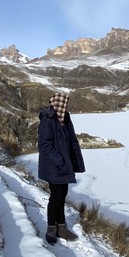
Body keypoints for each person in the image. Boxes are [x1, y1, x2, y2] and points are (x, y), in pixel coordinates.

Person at [37, 91, 85, 245]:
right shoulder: (48, 119)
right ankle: (52, 229)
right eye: (64, 103)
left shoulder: (64, 118)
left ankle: (61, 227)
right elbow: (44, 146)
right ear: (58, 104)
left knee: (61, 195)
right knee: (56, 197)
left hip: (63, 165)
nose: (66, 106)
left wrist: (71, 160)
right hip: (54, 166)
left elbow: (70, 140)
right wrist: (60, 161)